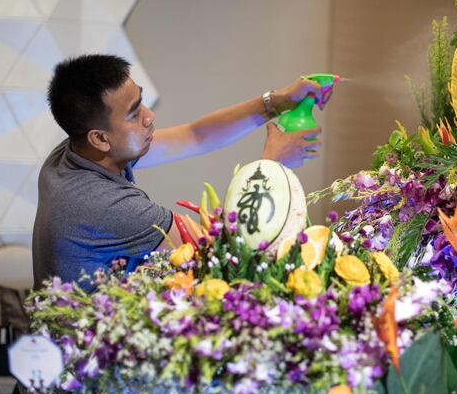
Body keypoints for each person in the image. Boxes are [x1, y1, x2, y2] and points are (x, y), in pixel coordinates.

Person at [32, 54, 323, 289]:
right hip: (89, 358)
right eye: (134, 113)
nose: (149, 115)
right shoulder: (103, 205)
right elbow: (229, 254)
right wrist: (274, 164)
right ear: (100, 138)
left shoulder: (73, 153)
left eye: (141, 101)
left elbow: (197, 135)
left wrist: (274, 102)